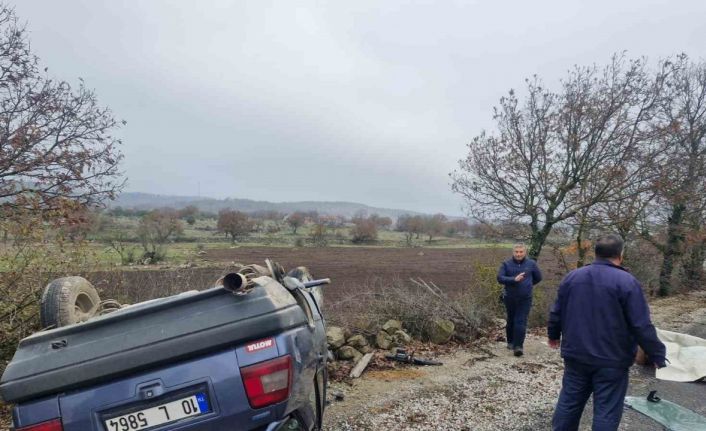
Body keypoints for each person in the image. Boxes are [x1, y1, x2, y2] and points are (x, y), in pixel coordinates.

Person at [548, 234, 666, 431]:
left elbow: (556, 312)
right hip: (612, 360)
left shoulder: (573, 277)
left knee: (569, 403)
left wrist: (553, 335)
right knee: (607, 411)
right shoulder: (627, 282)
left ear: (595, 253)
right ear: (620, 254)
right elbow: (641, 324)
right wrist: (657, 354)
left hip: (576, 355)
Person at [497, 243, 542, 357]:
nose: (518, 254)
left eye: (521, 252)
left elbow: (538, 277)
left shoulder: (531, 264)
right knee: (511, 319)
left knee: (520, 320)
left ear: (525, 252)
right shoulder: (506, 264)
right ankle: (510, 342)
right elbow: (500, 278)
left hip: (525, 298)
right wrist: (514, 279)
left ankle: (518, 346)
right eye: (516, 252)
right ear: (513, 252)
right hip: (509, 297)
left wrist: (528, 285)